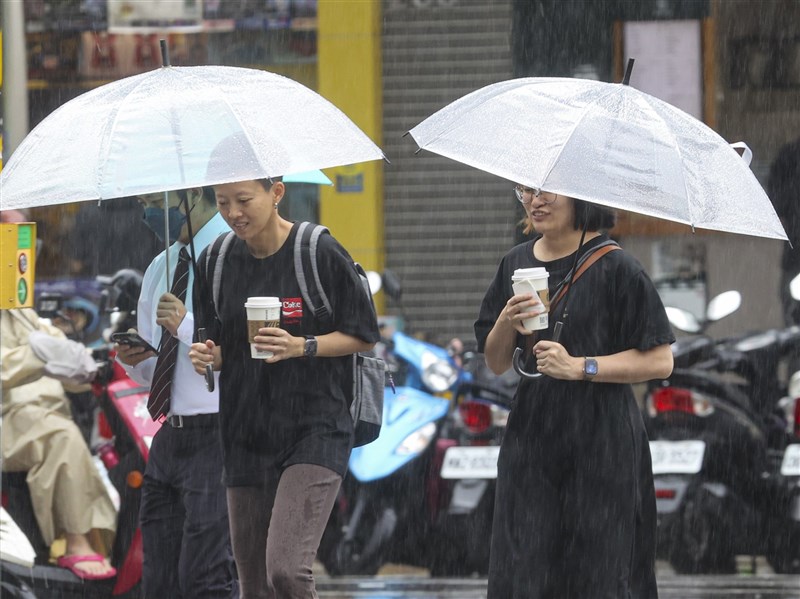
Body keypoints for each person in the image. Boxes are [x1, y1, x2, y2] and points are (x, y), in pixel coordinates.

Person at [474, 185, 675, 598]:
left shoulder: (618, 268)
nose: (535, 201)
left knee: (601, 572)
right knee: (525, 569)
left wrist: (581, 366)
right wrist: (506, 320)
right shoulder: (516, 263)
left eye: (548, 191)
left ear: (582, 195)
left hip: (603, 441)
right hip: (533, 436)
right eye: (526, 191)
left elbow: (659, 361)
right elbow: (495, 362)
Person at [189, 176, 380, 599]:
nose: (233, 213)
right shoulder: (214, 261)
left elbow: (364, 335)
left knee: (287, 572)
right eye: (222, 202)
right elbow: (220, 347)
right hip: (245, 432)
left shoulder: (317, 252)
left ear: (276, 193)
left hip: (314, 428)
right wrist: (206, 356)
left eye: (243, 200)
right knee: (254, 587)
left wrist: (303, 345)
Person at [114, 187, 238, 599]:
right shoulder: (159, 266)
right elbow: (158, 372)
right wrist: (134, 359)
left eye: (154, 206)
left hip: (221, 432)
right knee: (159, 577)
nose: (148, 216)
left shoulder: (235, 254)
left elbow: (246, 353)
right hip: (170, 436)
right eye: (142, 206)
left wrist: (186, 326)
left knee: (205, 573)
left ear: (190, 195)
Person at [0, 307, 117, 580]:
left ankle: (102, 543)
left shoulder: (19, 311)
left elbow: (64, 354)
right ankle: (75, 540)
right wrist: (37, 355)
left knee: (72, 435)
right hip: (9, 418)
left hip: (48, 415)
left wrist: (98, 363)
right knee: (62, 437)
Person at [768, 137, 800, 326]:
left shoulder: (789, 155)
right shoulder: (790, 156)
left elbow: (777, 201)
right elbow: (776, 201)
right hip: (795, 257)